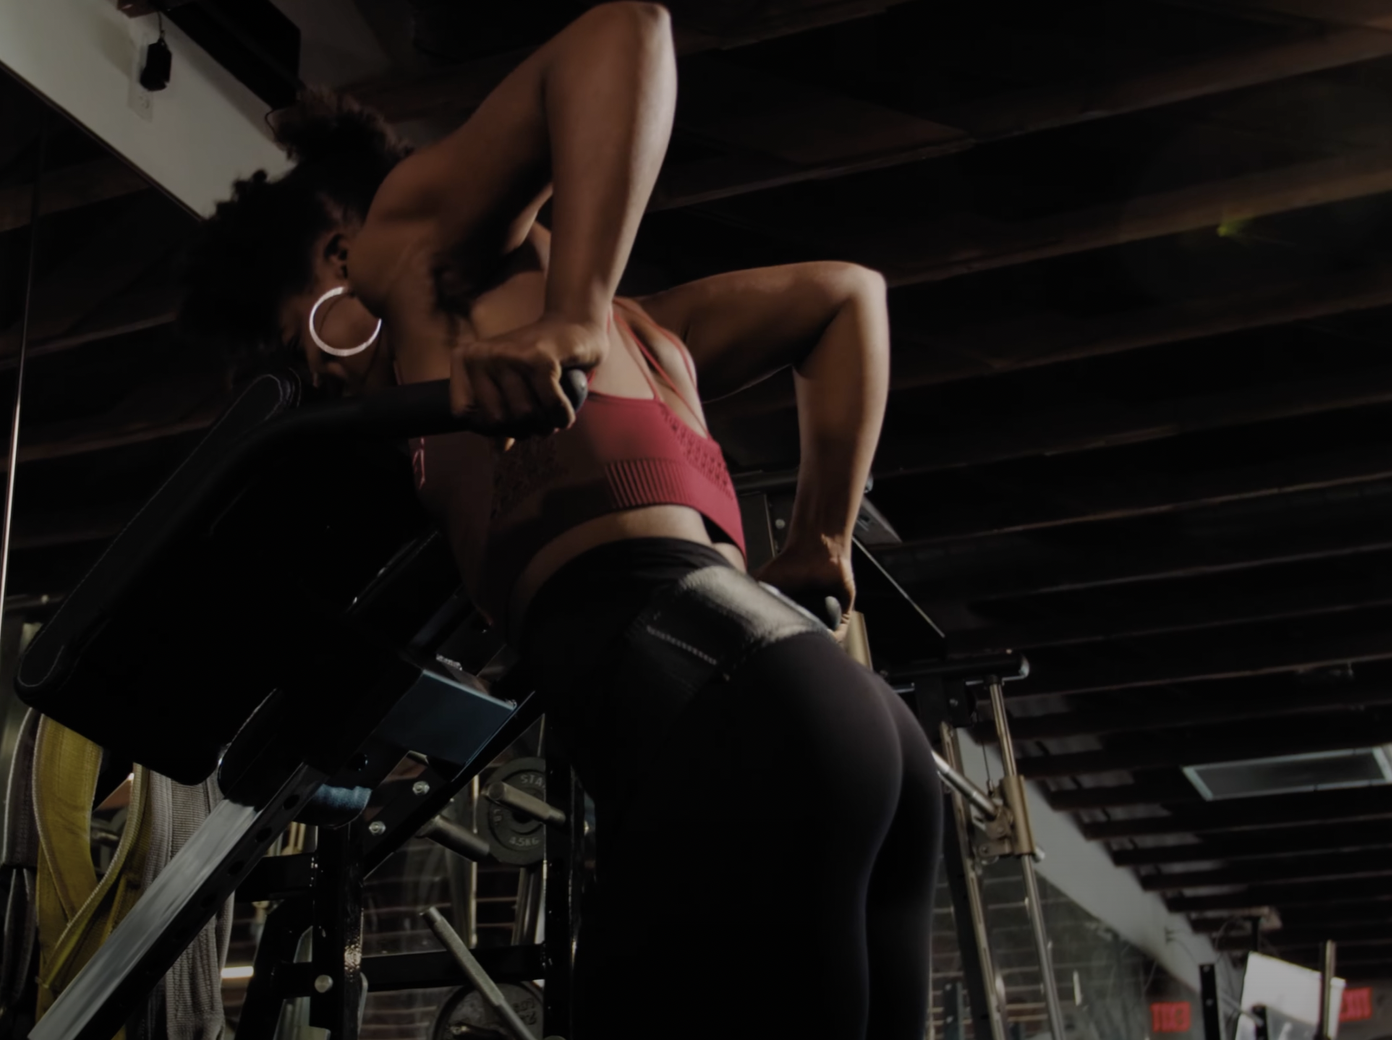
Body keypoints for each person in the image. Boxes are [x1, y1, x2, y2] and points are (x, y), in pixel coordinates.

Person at [180, 4, 941, 1036]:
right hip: (840, 718)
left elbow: (626, 29)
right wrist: (821, 538)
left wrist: (574, 308)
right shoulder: (653, 333)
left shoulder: (405, 246)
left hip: (722, 718)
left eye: (306, 344)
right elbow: (847, 298)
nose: (325, 377)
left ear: (337, 256)